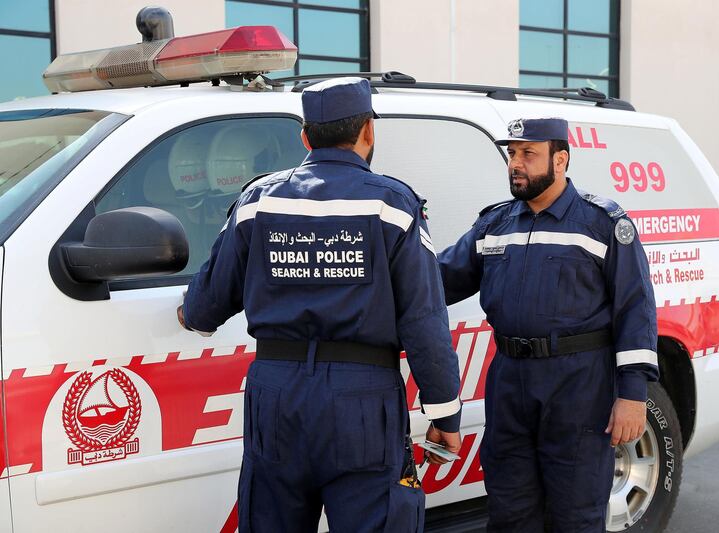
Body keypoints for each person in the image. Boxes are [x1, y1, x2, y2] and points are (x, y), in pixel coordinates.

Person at [177, 77, 462, 533]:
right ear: (368, 131)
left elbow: (203, 307)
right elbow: (424, 320)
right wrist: (444, 411)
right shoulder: (394, 205)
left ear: (305, 136)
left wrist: (188, 312)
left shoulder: (258, 201)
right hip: (363, 400)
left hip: (276, 395)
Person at [438, 117, 659, 532]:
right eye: (512, 154)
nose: (515, 164)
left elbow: (636, 308)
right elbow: (437, 281)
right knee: (510, 511)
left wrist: (632, 394)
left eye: (528, 154)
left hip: (578, 387)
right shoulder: (494, 224)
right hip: (509, 382)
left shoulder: (603, 224)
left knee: (574, 515)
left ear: (561, 160)